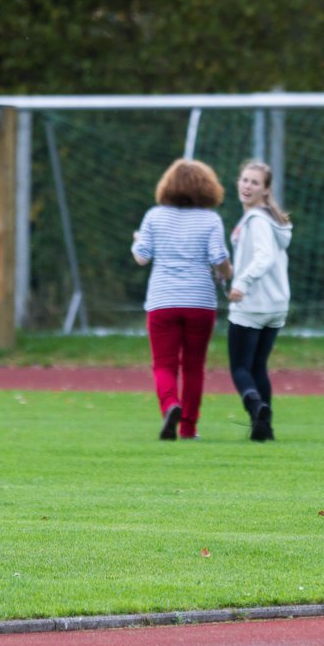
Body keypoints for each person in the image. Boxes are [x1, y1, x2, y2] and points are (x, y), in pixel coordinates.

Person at [132, 158, 231, 441]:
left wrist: (137, 239)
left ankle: (169, 406)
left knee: (164, 364)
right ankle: (188, 427)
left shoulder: (154, 216)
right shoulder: (211, 219)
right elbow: (219, 259)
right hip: (200, 301)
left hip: (163, 300)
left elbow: (141, 257)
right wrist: (228, 273)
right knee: (193, 366)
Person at [227, 160, 292, 442]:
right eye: (244, 180)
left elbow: (263, 257)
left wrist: (241, 283)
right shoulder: (271, 219)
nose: (247, 186)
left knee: (240, 367)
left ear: (265, 190)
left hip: (253, 304)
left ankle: (255, 407)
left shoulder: (257, 220)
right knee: (257, 367)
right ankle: (263, 428)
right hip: (276, 305)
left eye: (255, 182)